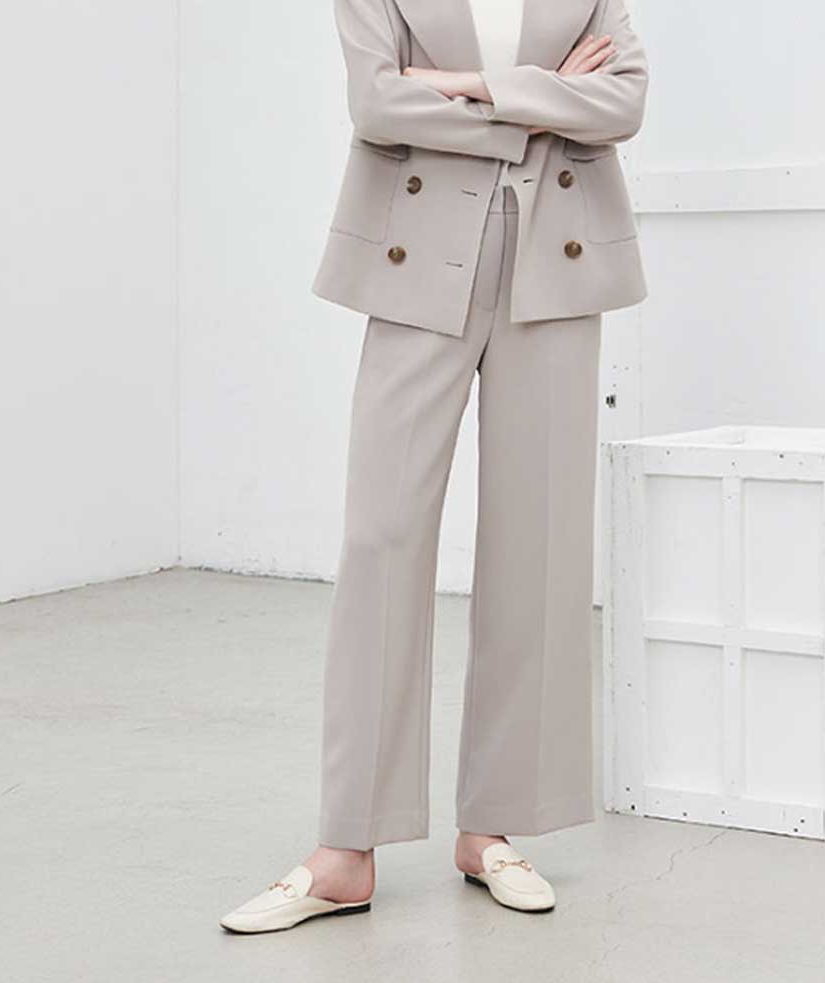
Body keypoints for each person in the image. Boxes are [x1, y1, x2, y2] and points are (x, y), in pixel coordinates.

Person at [220, 0, 648, 933]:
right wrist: (545, 102)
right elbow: (378, 106)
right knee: (382, 538)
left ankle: (492, 828)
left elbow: (623, 103)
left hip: (558, 262)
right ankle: (347, 848)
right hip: (416, 257)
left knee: (537, 545)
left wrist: (464, 85)